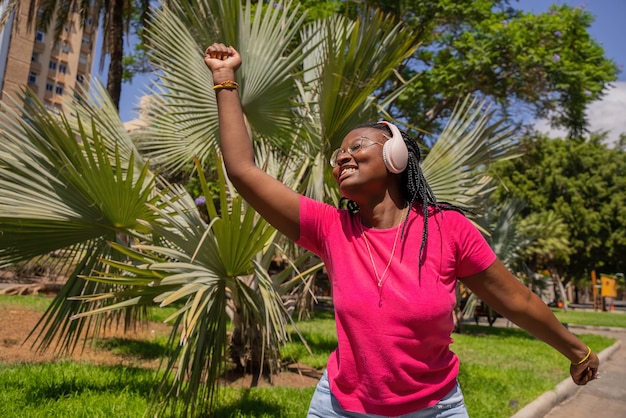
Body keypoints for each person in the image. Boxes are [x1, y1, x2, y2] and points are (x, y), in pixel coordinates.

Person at [203, 43, 599, 418]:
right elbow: (242, 170)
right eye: (338, 155)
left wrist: (577, 351)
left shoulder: (447, 229)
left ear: (395, 156)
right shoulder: (331, 228)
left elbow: (517, 300)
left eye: (356, 147)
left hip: (436, 407)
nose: (343, 157)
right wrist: (225, 79)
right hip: (341, 407)